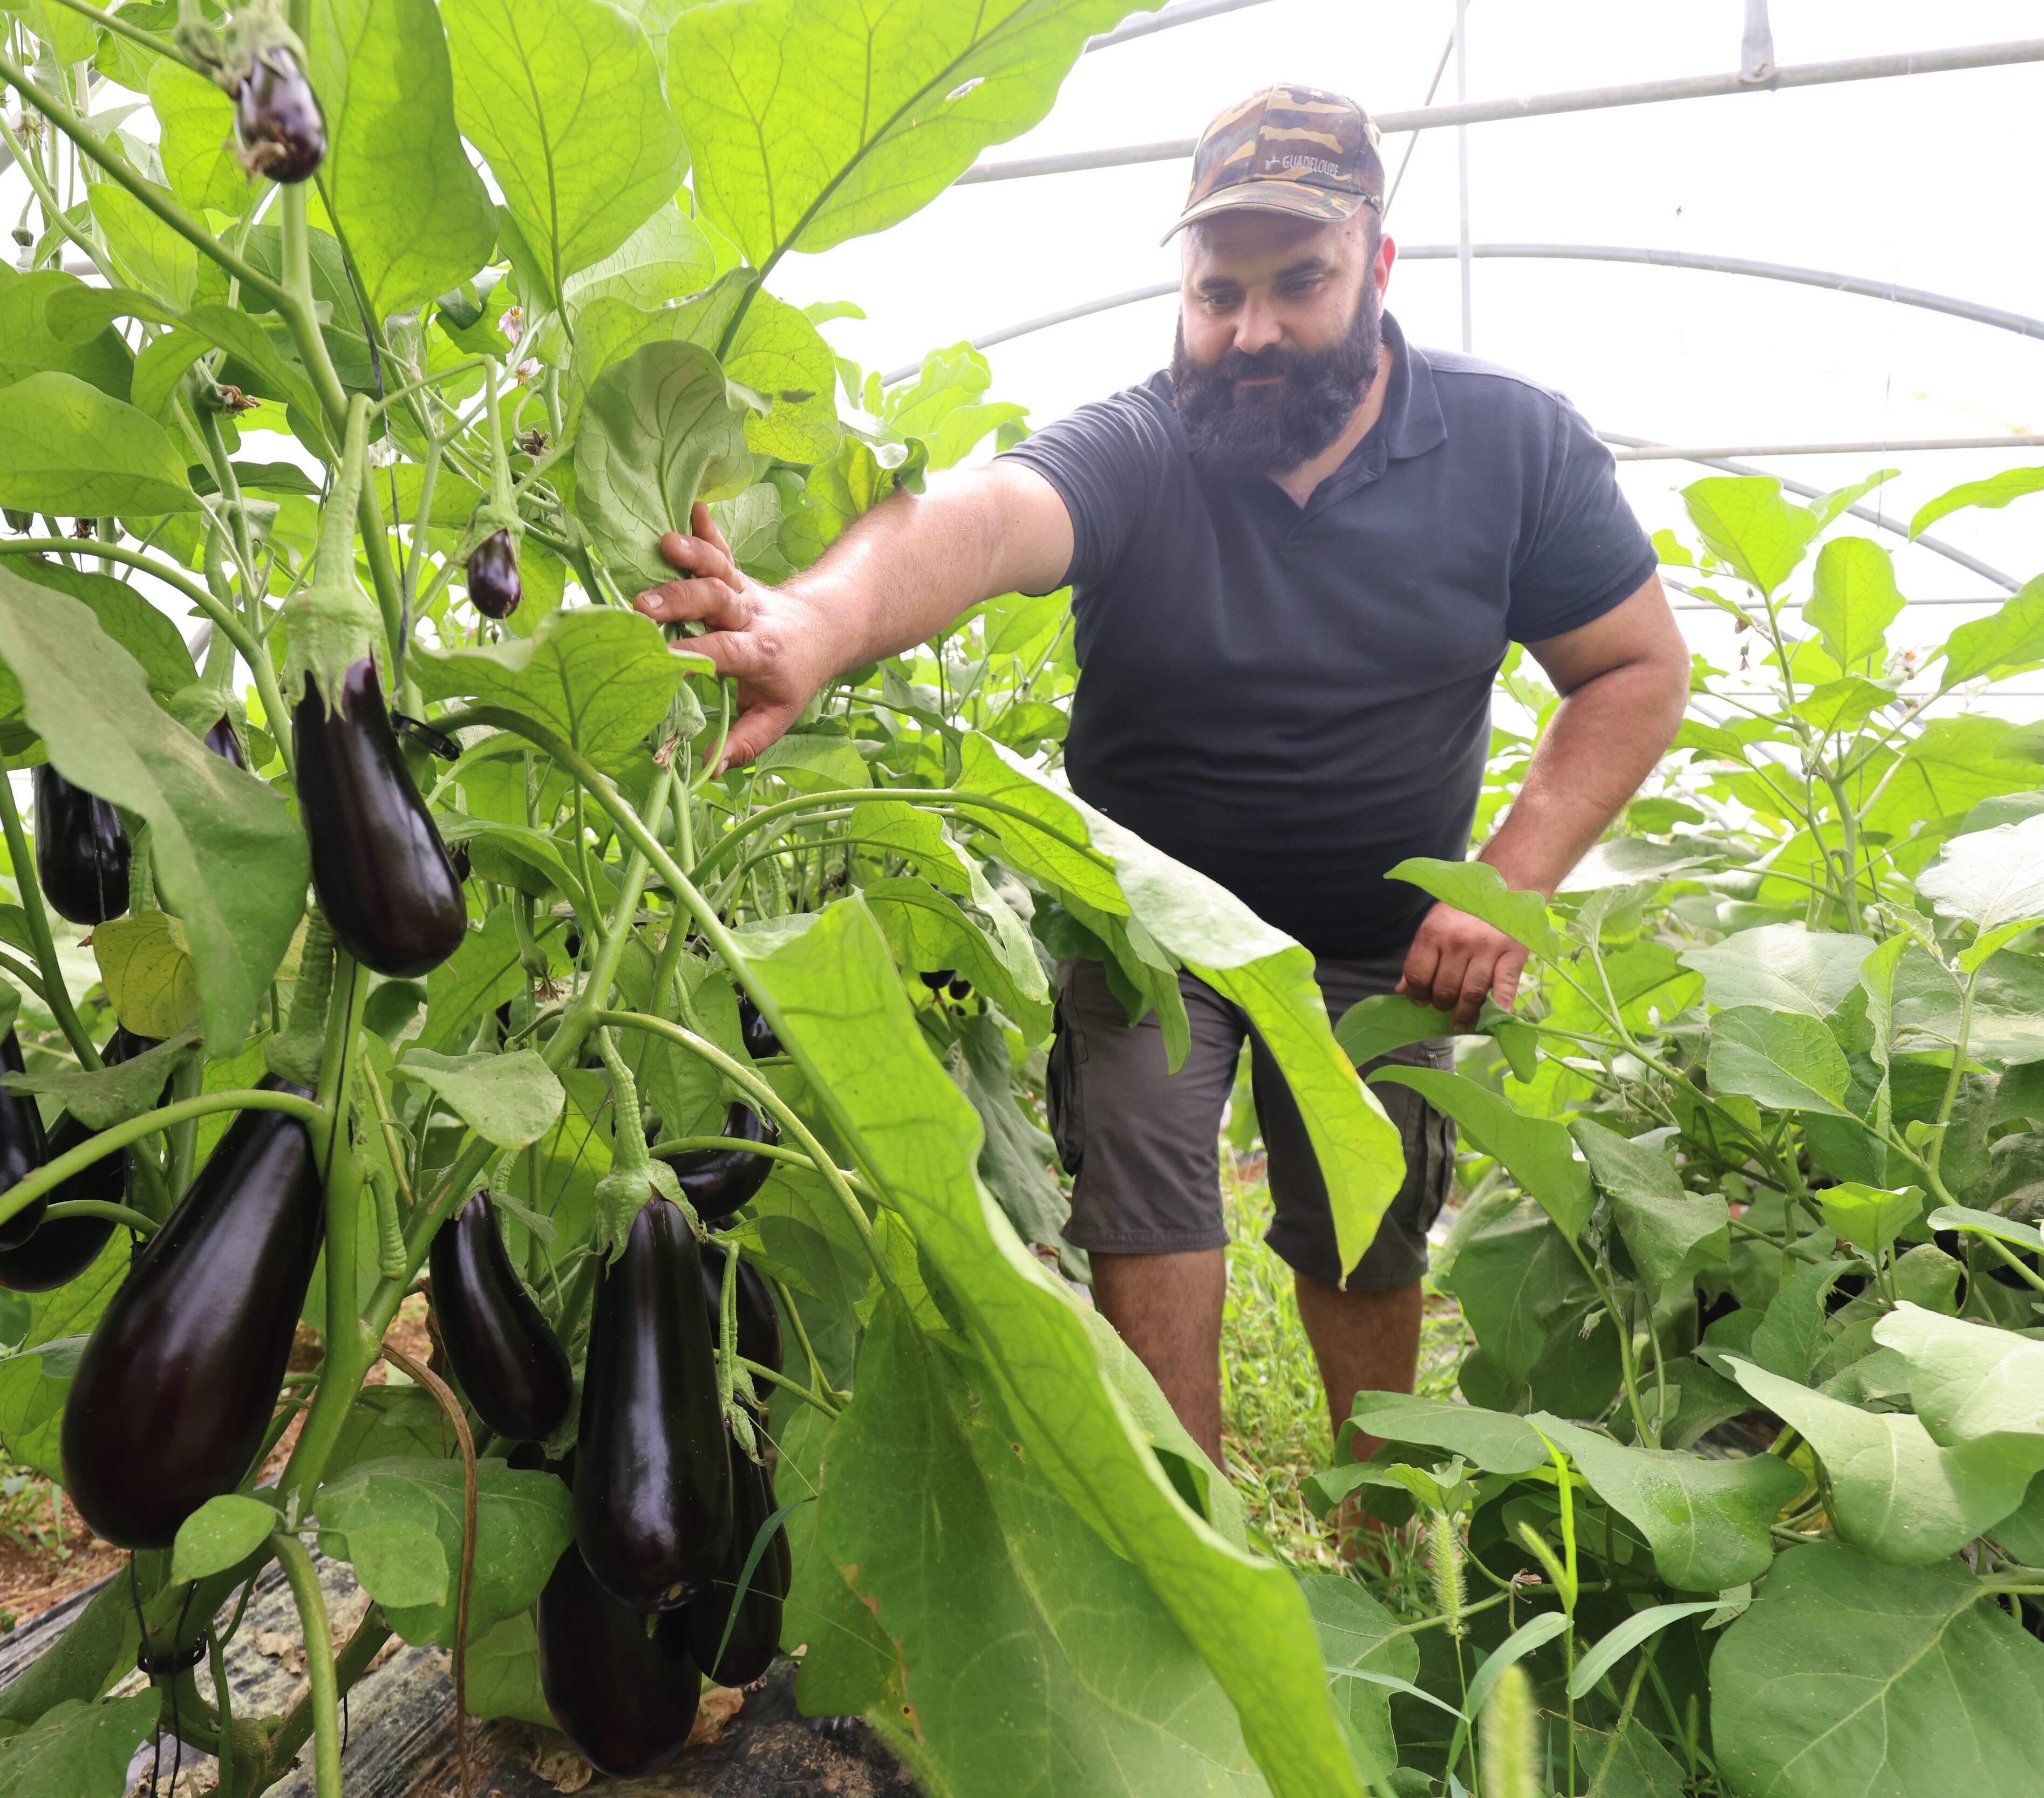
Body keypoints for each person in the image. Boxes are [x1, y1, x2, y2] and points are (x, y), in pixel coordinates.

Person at [633, 85, 1688, 1465]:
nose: (1249, 331)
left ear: (1375, 266)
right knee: (1143, 1200)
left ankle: (1381, 1534)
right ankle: (1201, 1535)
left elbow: (1633, 668)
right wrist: (814, 624)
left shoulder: (1510, 447)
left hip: (1383, 938)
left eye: (1295, 283)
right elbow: (984, 516)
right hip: (1149, 927)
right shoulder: (1147, 441)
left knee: (1366, 1230)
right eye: (1216, 292)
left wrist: (1507, 880)